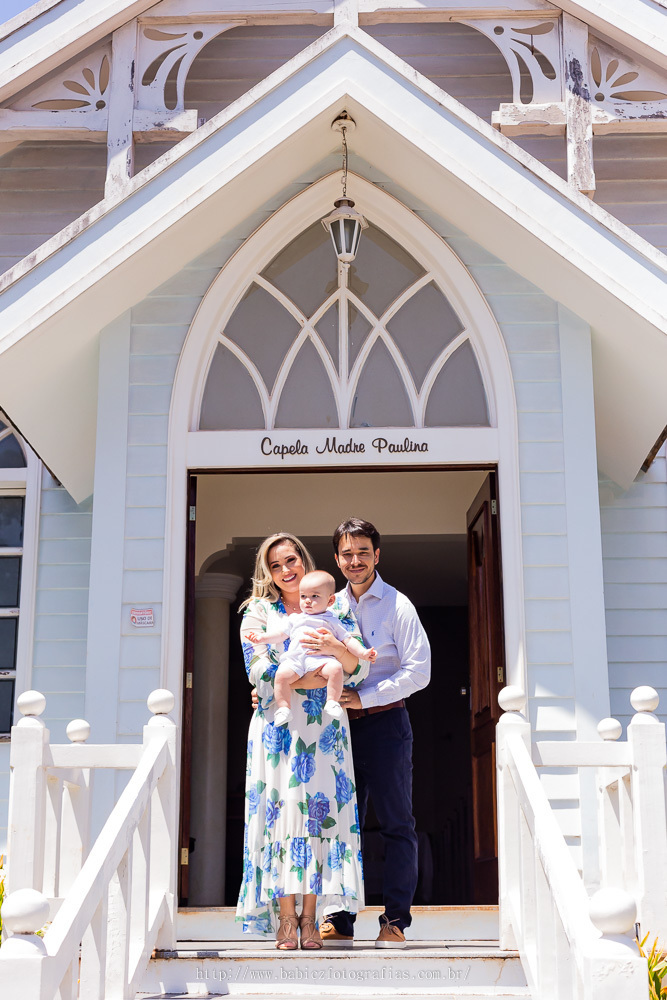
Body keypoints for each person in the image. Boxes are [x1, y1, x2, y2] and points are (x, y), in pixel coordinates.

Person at [236, 532, 368, 951]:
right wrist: (324, 674)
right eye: (275, 566)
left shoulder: (336, 605)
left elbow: (358, 670)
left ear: (303, 560)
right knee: (282, 816)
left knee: (317, 817)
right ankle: (286, 919)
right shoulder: (259, 611)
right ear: (268, 574)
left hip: (324, 732)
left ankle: (312, 920)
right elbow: (258, 671)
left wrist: (330, 655)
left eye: (291, 560)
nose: (286, 570)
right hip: (278, 729)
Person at [313, 517, 431, 949]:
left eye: (363, 552)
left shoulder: (398, 606)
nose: (355, 560)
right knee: (342, 823)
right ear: (337, 558)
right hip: (338, 729)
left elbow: (419, 672)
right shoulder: (328, 606)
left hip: (386, 725)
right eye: (347, 553)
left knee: (397, 823)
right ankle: (340, 918)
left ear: (377, 556)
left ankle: (395, 920)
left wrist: (367, 698)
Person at [247, 569, 376, 727]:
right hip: (295, 660)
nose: (307, 601)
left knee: (335, 669)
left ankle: (332, 702)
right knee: (281, 675)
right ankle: (283, 708)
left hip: (320, 661)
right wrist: (262, 638)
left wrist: (363, 653)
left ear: (330, 601)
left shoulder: (332, 619)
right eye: (303, 596)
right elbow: (280, 635)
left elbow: (348, 640)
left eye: (314, 596)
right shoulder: (295, 619)